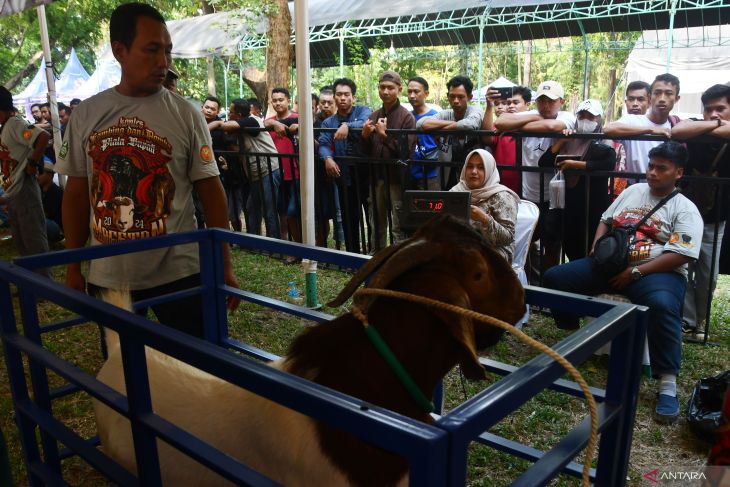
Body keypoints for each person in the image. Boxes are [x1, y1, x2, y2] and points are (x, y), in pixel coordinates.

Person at [56, 3, 240, 338]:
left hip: (181, 271)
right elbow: (77, 193)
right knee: (124, 373)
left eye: (167, 51)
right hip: (111, 277)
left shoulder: (187, 113)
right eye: (152, 50)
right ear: (119, 51)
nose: (163, 63)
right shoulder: (87, 115)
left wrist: (223, 263)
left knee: (199, 371)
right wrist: (73, 265)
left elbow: (211, 190)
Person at [543, 141, 703, 424]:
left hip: (656, 272)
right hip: (609, 264)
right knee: (556, 278)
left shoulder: (686, 209)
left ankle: (667, 383)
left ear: (678, 172)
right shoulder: (631, 191)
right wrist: (596, 247)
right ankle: (575, 336)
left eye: (661, 168)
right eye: (651, 166)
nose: (652, 173)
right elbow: (606, 220)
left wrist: (636, 273)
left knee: (663, 305)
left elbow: (681, 254)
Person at [495, 80, 576, 275]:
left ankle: (549, 283)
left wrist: (521, 126)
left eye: (551, 101)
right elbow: (500, 122)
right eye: (541, 101)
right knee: (526, 239)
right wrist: (533, 120)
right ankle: (530, 281)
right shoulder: (532, 114)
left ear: (561, 102)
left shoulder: (567, 116)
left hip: (554, 193)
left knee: (552, 242)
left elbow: (553, 126)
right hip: (527, 191)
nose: (546, 106)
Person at [672, 83, 730, 338]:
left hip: (716, 218)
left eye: (721, 109)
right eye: (709, 110)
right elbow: (678, 130)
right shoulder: (699, 127)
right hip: (686, 216)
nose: (715, 114)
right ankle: (688, 320)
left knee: (708, 275)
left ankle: (699, 320)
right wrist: (715, 125)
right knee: (681, 267)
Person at [538, 99, 616, 261]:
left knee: (591, 245)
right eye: (581, 115)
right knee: (571, 243)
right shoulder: (570, 137)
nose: (585, 119)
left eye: (590, 116)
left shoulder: (603, 140)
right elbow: (543, 162)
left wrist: (578, 165)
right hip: (570, 202)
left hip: (593, 204)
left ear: (599, 119)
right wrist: (562, 141)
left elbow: (607, 164)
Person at [0, 86, 52, 277]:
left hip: (25, 189)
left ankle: (45, 285)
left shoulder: (14, 123)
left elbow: (43, 137)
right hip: (14, 191)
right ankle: (31, 282)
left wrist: (32, 162)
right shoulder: (6, 127)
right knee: (22, 240)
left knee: (33, 238)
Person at [362, 70, 416, 251]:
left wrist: (385, 136)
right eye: (382, 87)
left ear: (399, 89)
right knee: (376, 221)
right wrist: (365, 136)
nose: (385, 91)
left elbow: (406, 152)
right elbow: (367, 152)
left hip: (396, 179)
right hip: (376, 177)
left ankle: (398, 260)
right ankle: (377, 258)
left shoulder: (406, 117)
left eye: (390, 88)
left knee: (398, 223)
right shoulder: (374, 115)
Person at [212, 98, 280, 238]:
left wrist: (218, 122)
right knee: (252, 208)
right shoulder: (242, 124)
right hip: (256, 172)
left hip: (268, 169)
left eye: (231, 112)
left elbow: (227, 126)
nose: (229, 114)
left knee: (269, 210)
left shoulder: (252, 121)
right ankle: (254, 241)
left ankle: (275, 244)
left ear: (238, 114)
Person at [318, 78, 372, 253]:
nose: (342, 98)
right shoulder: (328, 123)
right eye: (339, 94)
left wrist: (347, 125)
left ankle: (372, 252)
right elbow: (324, 143)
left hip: (366, 174)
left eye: (346, 94)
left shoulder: (363, 110)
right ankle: (352, 253)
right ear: (334, 97)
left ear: (353, 97)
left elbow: (366, 123)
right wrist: (327, 158)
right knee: (349, 217)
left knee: (372, 217)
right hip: (344, 176)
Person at [604, 74, 681, 177]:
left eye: (668, 93)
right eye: (657, 93)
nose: (662, 98)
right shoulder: (632, 120)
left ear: (676, 99)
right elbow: (608, 129)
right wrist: (650, 130)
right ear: (650, 96)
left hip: (666, 189)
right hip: (637, 187)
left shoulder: (676, 123)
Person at [450, 148, 519, 263]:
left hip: (494, 251)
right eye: (470, 166)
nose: (474, 171)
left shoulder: (502, 196)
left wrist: (484, 219)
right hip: (459, 246)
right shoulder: (456, 192)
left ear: (489, 170)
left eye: (481, 167)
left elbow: (507, 237)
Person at [415, 75, 483, 188]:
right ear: (448, 96)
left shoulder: (475, 110)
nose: (456, 101)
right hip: (447, 172)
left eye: (461, 97)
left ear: (470, 97)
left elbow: (470, 124)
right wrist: (451, 126)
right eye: (452, 96)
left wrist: (441, 129)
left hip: (472, 172)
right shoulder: (445, 114)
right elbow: (420, 124)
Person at [265, 87, 301, 245]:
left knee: (295, 209)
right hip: (276, 171)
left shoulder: (297, 118)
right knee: (282, 209)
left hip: (296, 171)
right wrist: (273, 122)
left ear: (288, 100)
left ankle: (300, 241)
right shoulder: (270, 121)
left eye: (281, 99)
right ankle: (285, 240)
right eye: (275, 100)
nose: (278, 103)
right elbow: (263, 123)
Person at [482, 85, 532, 193]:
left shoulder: (536, 125)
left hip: (530, 189)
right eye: (508, 103)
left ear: (528, 105)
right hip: (503, 187)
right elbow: (487, 138)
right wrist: (489, 105)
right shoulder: (500, 126)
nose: (510, 106)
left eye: (515, 102)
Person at [611, 81, 652, 196]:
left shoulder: (661, 121)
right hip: (634, 185)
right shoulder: (627, 121)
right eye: (631, 99)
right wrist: (650, 130)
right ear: (626, 102)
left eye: (640, 99)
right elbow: (609, 129)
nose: (635, 103)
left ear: (649, 102)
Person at [407, 76, 440, 190]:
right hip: (410, 172)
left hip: (431, 173)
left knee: (431, 205)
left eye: (416, 91)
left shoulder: (436, 116)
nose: (412, 95)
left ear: (426, 94)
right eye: (409, 91)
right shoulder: (407, 116)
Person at [37, 160, 64, 244]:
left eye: (41, 173)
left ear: (50, 175)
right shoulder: (40, 191)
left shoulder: (57, 191)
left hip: (57, 227)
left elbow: (47, 213)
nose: (37, 176)